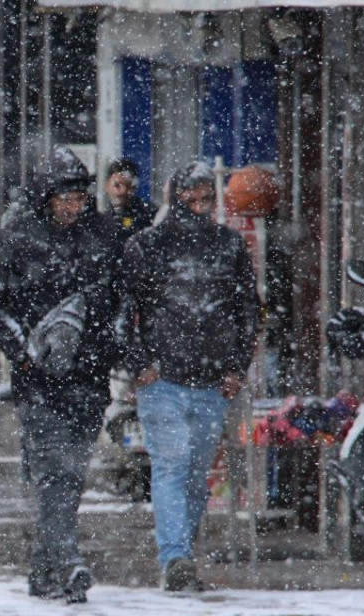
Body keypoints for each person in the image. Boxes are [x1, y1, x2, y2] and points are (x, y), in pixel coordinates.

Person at [0, 146, 123, 604]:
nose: (72, 206)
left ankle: (43, 572)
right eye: (63, 197)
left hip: (89, 375)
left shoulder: (104, 235)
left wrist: (113, 344)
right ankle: (68, 561)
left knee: (71, 475)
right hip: (39, 380)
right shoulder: (17, 239)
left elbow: (123, 300)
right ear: (44, 197)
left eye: (79, 197)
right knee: (54, 473)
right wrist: (22, 352)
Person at [119, 161, 260, 592]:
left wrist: (236, 366)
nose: (198, 206)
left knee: (193, 473)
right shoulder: (147, 246)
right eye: (190, 197)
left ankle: (180, 552)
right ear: (174, 197)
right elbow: (124, 311)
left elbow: (248, 311)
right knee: (172, 466)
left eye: (205, 198)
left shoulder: (229, 247)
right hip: (163, 379)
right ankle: (176, 557)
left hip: (212, 381)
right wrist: (140, 363)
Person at [102, 157, 157, 243]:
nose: (123, 191)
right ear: (107, 186)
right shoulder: (102, 220)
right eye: (117, 185)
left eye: (128, 186)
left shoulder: (148, 214)